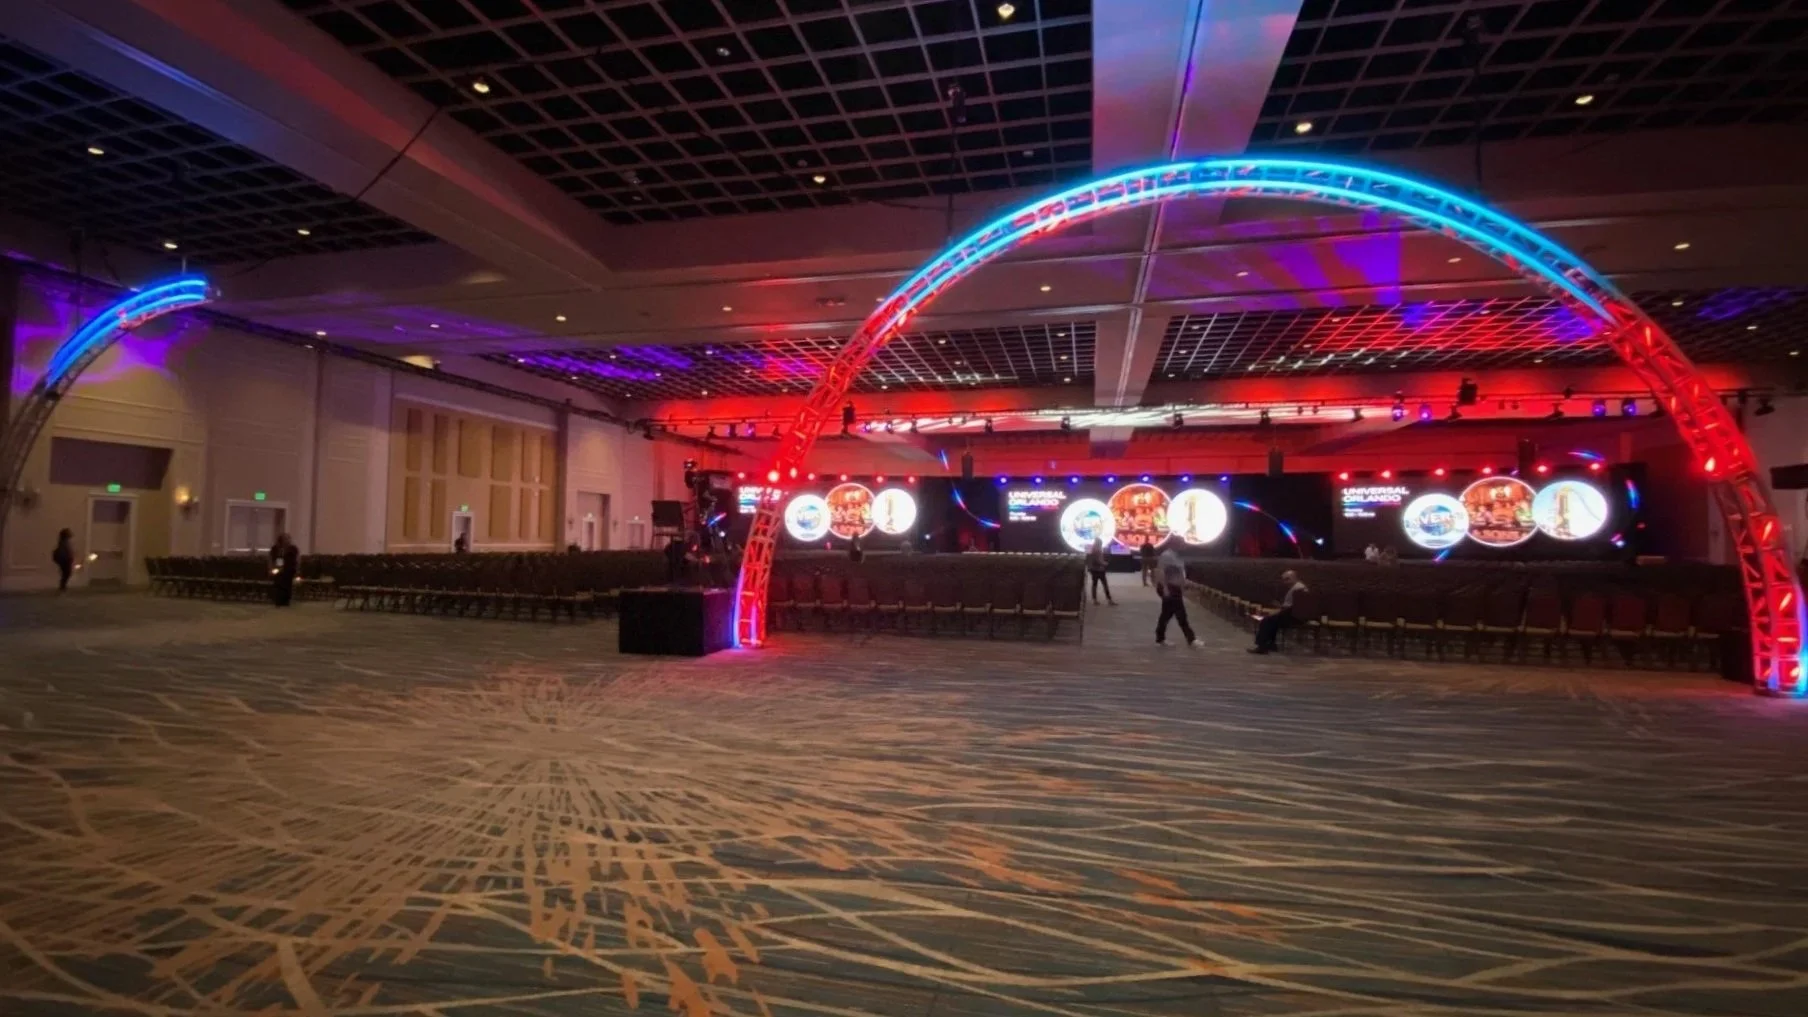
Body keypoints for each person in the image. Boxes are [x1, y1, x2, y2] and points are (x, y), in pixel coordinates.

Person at [1250, 569, 1308, 654]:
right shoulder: (1300, 587)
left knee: (1266, 620)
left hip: (1294, 617)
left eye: (1287, 579)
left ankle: (1261, 646)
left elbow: (1290, 607)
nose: (1285, 582)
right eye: (1284, 580)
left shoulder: (1297, 589)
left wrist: (1277, 611)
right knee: (1272, 620)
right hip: (1294, 614)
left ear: (1294, 578)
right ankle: (1271, 644)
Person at [1153, 547, 1198, 647]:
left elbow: (1179, 574)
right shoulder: (1167, 556)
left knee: (1167, 614)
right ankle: (1191, 639)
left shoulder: (1178, 557)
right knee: (1180, 613)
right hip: (1170, 587)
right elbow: (1161, 571)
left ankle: (1160, 637)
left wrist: (1184, 584)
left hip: (1175, 588)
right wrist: (1165, 588)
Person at [270, 533, 300, 607]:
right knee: (279, 586)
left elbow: (296, 559)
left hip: (289, 570)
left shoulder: (293, 549)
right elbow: (277, 558)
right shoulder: (276, 548)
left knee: (288, 586)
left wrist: (297, 570)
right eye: (285, 539)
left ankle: (286, 601)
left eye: (288, 539)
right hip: (280, 570)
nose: (287, 540)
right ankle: (278, 601)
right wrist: (278, 568)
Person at [1086, 537, 1115, 606]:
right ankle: (1109, 600)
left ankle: (1095, 600)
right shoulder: (1097, 550)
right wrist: (1104, 563)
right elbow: (1098, 560)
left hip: (1094, 569)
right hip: (1099, 570)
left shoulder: (1094, 549)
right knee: (1104, 585)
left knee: (1094, 585)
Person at [52, 528, 74, 593]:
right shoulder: (63, 543)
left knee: (66, 573)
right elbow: (65, 551)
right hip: (65, 560)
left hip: (65, 560)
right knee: (66, 573)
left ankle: (63, 587)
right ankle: (62, 587)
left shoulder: (64, 542)